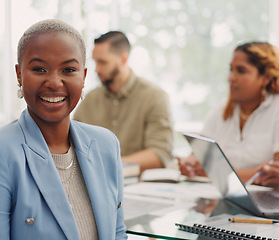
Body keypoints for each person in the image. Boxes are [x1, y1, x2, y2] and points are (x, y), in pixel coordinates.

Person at [0, 19, 126, 240]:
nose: (54, 82)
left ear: (84, 76)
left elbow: (117, 234)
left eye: (68, 69)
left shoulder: (106, 145)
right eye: (39, 69)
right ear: (19, 75)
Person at [73, 31, 174, 172]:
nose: (96, 69)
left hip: (139, 188)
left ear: (123, 59)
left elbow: (159, 154)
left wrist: (110, 166)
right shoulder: (89, 99)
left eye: (103, 62)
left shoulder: (155, 97)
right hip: (94, 184)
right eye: (95, 61)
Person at [179, 42, 279, 183]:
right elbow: (198, 157)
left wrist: (213, 172)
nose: (231, 78)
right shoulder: (221, 109)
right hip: (221, 195)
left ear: (266, 78)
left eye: (241, 71)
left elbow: (273, 174)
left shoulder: (276, 108)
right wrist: (189, 165)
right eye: (231, 69)